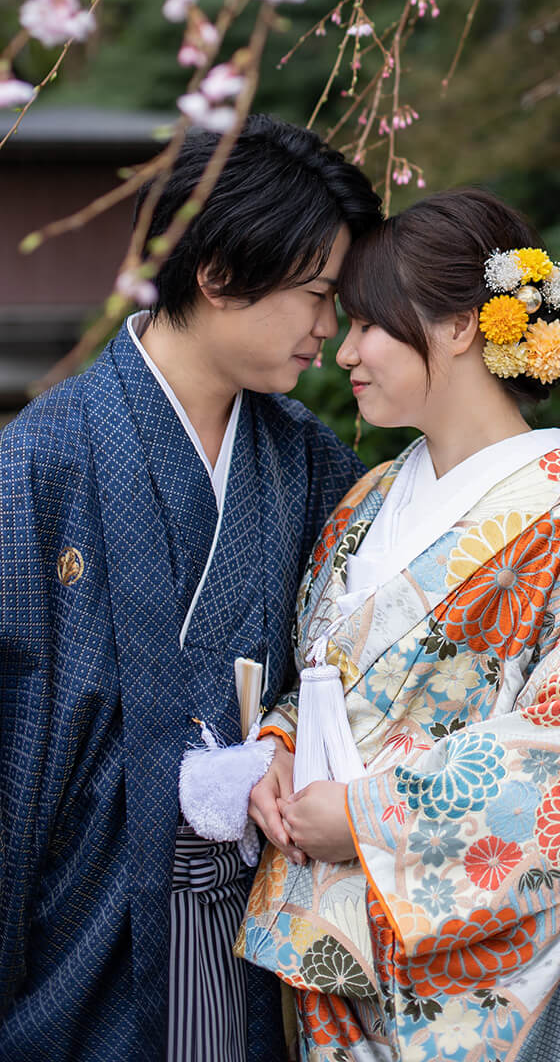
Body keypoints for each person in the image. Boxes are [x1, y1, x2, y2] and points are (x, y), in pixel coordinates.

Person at [239, 187, 560, 1062]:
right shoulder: (366, 503)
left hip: (477, 956)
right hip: (342, 938)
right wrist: (277, 744)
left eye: (369, 325)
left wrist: (373, 818)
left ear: (460, 326)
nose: (344, 351)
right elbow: (323, 682)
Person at [0, 114, 382, 1062]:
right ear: (217, 273)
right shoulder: (35, 466)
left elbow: (349, 652)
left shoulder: (304, 459)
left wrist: (287, 735)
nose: (329, 329)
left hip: (251, 912)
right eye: (315, 294)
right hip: (80, 919)